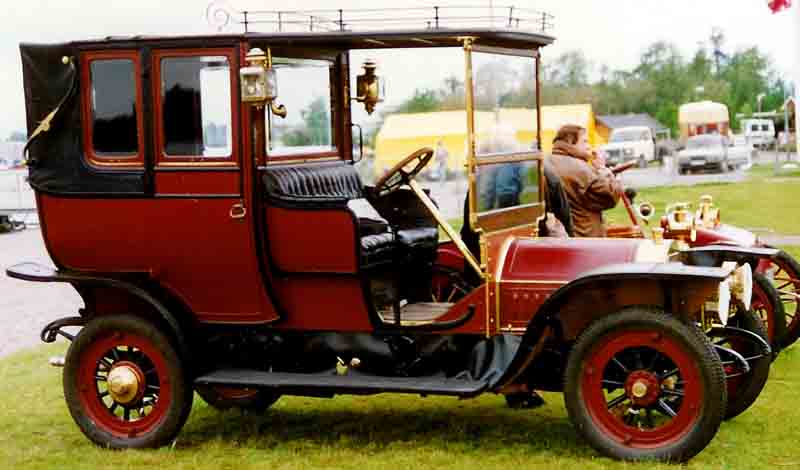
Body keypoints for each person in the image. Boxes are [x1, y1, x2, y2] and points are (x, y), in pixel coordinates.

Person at [546, 124, 622, 237]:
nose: (589, 146)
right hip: (585, 236)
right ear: (570, 141)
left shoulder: (547, 161)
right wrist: (603, 169)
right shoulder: (581, 169)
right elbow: (611, 195)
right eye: (585, 141)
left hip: (560, 234)